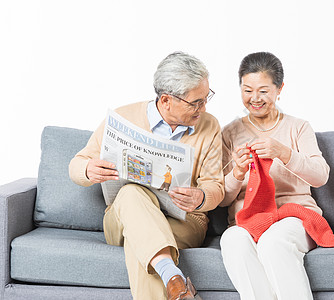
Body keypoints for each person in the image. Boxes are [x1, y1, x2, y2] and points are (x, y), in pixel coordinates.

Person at [69, 52, 224, 300]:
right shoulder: (122, 117)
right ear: (166, 100)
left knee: (140, 242)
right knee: (131, 193)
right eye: (196, 102)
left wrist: (201, 197)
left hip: (184, 221)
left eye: (206, 99)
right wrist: (88, 170)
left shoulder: (209, 126)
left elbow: (215, 186)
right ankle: (175, 280)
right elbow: (76, 164)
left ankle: (171, 277)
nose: (203, 108)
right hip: (121, 217)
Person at [219, 52, 330, 300]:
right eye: (247, 90)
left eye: (263, 91)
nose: (254, 99)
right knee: (232, 239)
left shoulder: (298, 127)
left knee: (273, 242)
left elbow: (320, 176)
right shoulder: (229, 133)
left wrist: (285, 153)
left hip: (294, 217)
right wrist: (237, 172)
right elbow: (223, 198)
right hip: (248, 220)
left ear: (280, 89)